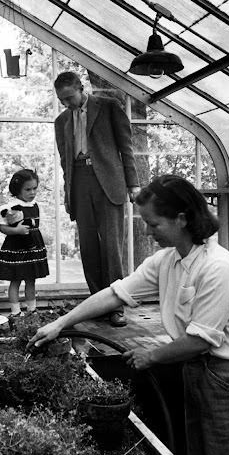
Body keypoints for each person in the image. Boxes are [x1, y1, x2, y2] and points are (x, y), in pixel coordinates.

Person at [28, 174, 229, 455]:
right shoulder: (167, 261)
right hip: (197, 374)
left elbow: (199, 340)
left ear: (182, 218)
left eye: (153, 223)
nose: (148, 231)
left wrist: (151, 355)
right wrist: (61, 323)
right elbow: (115, 294)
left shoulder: (217, 267)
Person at [54, 71, 140, 327]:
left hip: (108, 182)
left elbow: (126, 147)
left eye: (69, 97)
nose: (67, 104)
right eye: (62, 100)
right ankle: (97, 304)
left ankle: (116, 306)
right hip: (80, 183)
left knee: (112, 246)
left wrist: (133, 184)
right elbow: (64, 161)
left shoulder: (109, 107)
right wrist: (69, 193)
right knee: (89, 248)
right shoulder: (61, 122)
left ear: (81, 88)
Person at [0, 169, 49, 317]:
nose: (32, 192)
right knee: (15, 280)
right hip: (17, 247)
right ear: (17, 190)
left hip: (33, 246)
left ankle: (31, 310)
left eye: (34, 188)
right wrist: (16, 230)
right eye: (28, 189)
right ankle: (15, 311)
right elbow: (3, 228)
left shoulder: (36, 205)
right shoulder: (11, 208)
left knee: (31, 279)